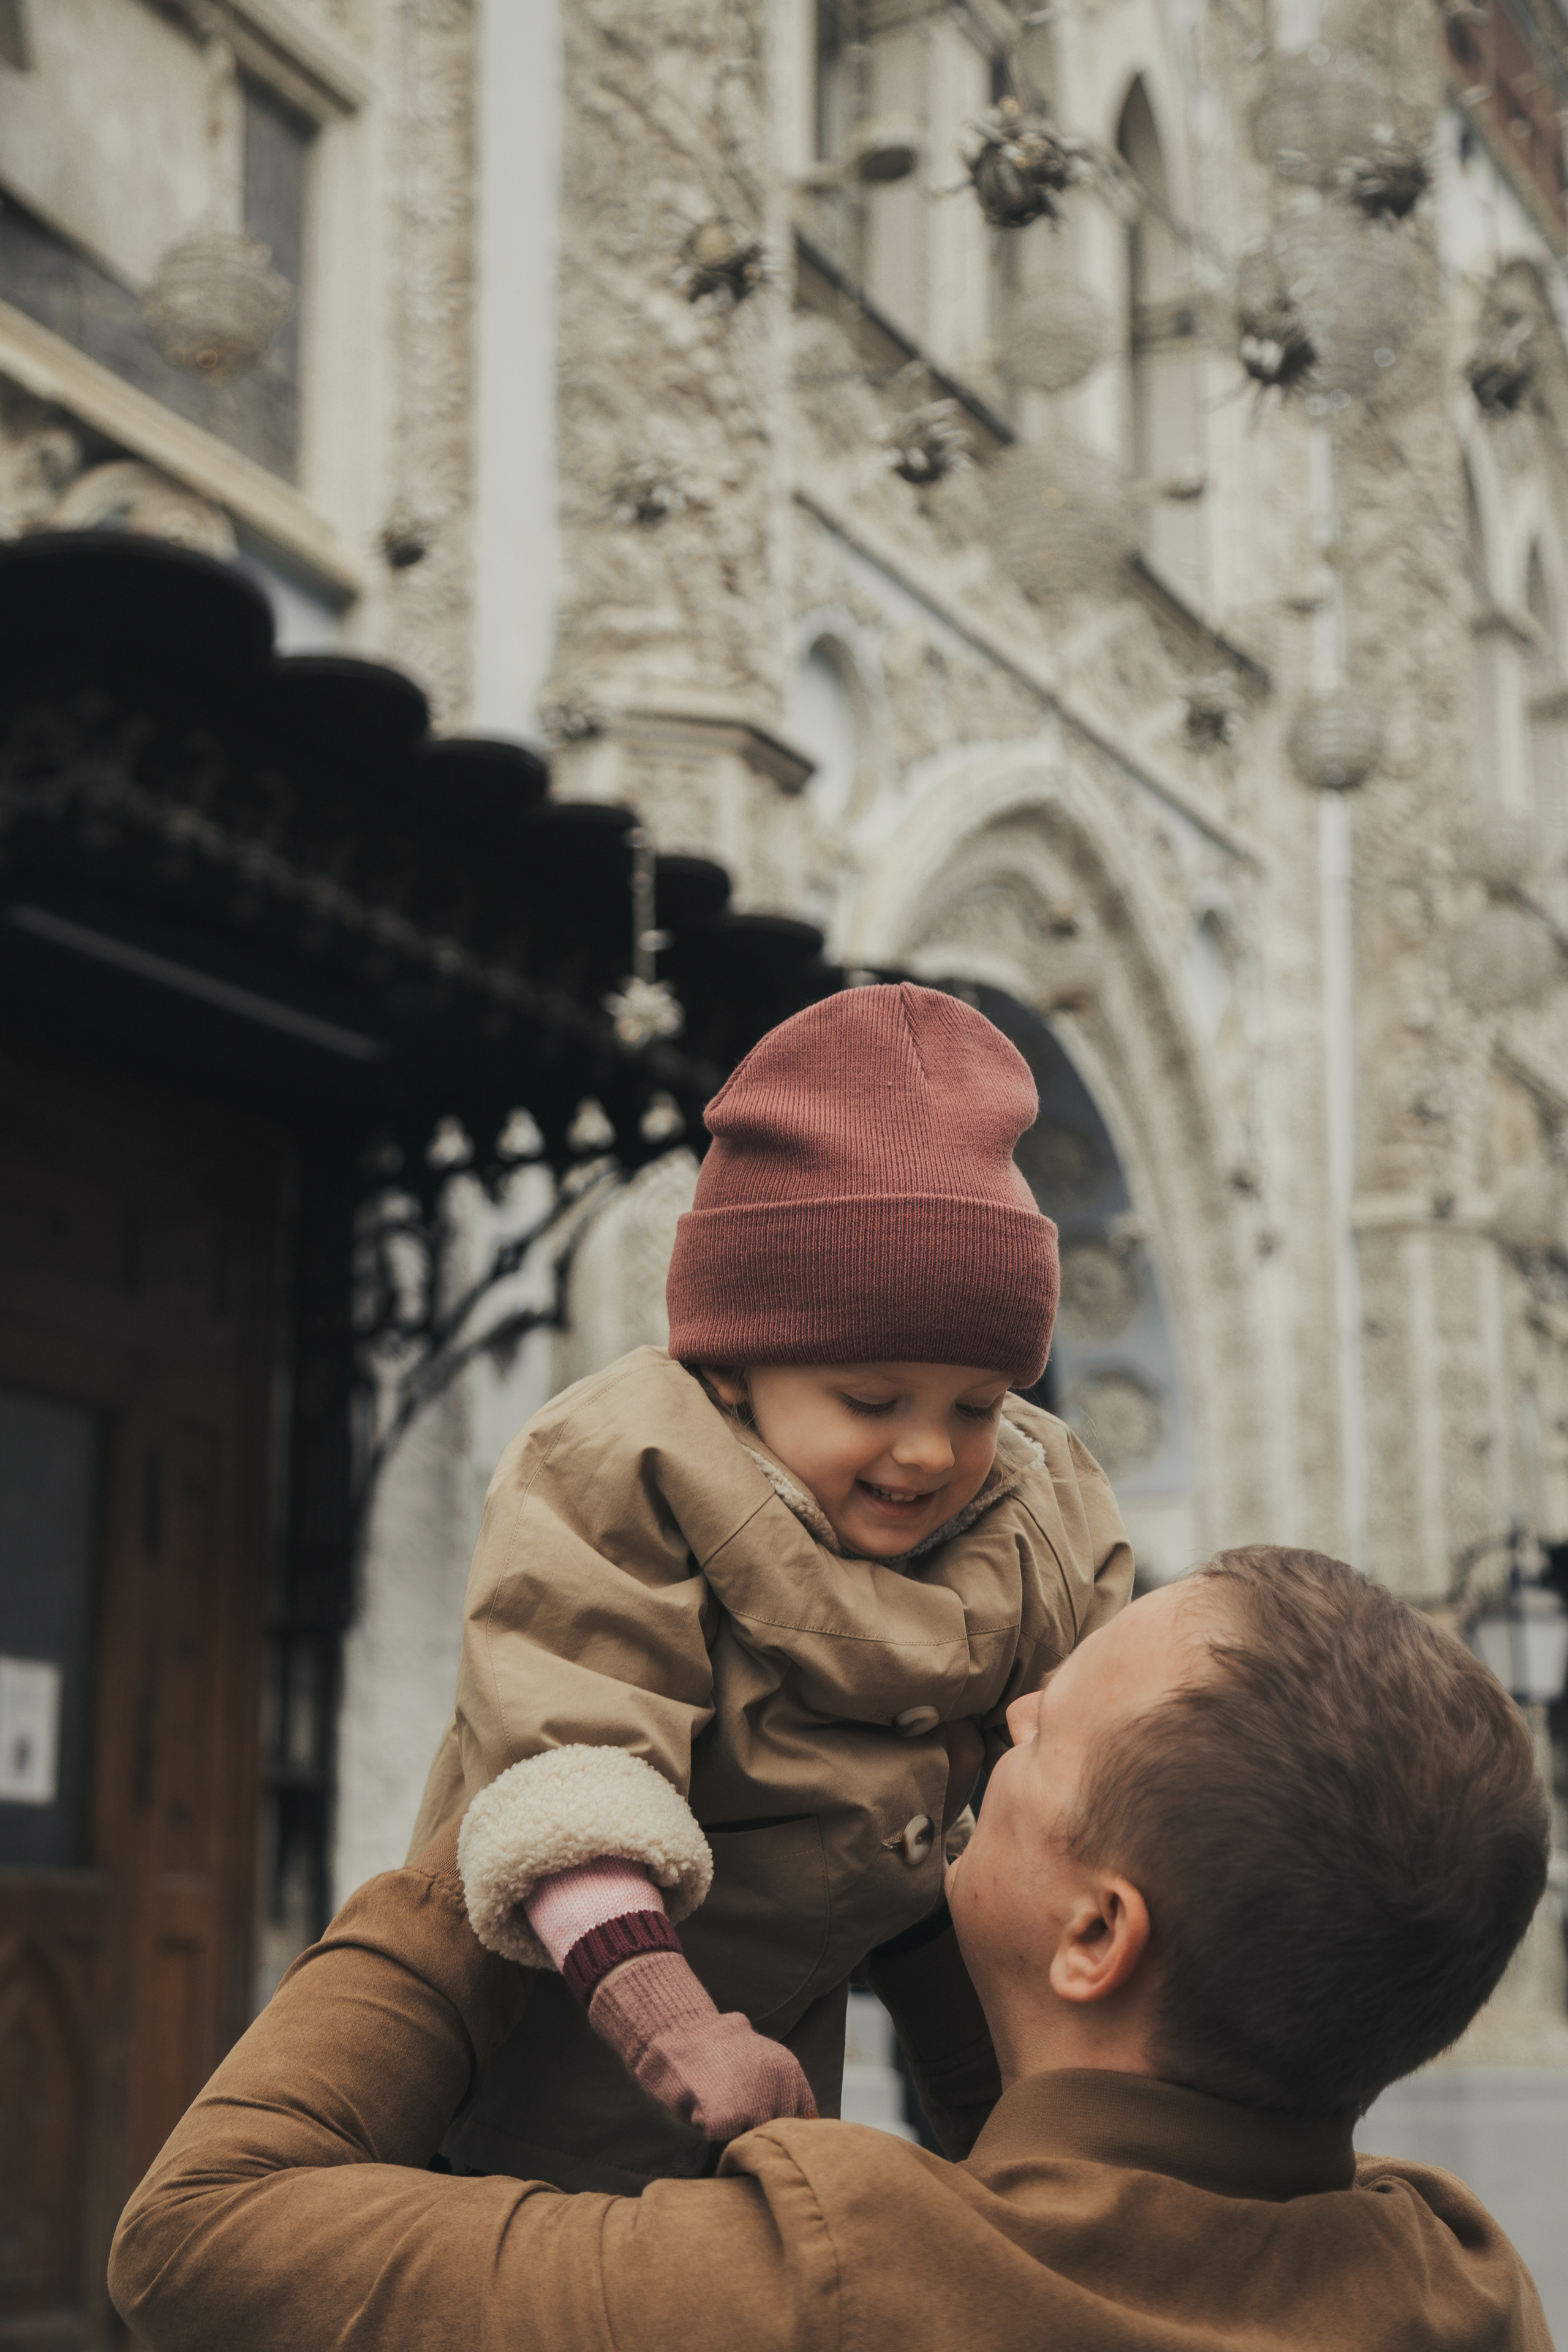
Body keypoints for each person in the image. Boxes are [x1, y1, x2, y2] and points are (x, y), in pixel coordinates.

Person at [110, 1545, 1553, 2351]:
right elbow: (1064, 2175)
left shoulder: (825, 2284)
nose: (1013, 1712)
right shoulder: (1456, 2278)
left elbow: (199, 2235)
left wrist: (548, 1803)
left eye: (1053, 1724)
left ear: (1098, 1933)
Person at [402, 981, 1131, 2188]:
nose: (925, 1452)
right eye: (869, 1400)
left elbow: (1094, 1755)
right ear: (735, 1368)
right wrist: (672, 2028)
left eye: (974, 1406)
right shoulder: (620, 1462)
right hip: (577, 2044)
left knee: (1030, 2179)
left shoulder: (1032, 1506)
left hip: (862, 1975)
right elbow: (566, 1774)